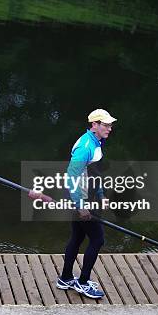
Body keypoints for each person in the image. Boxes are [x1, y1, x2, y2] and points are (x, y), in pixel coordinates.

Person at [56, 109, 116, 299]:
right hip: (80, 200)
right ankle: (82, 282)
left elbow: (93, 172)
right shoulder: (85, 147)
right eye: (106, 125)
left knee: (78, 237)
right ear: (94, 125)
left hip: (88, 197)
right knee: (98, 240)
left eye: (110, 125)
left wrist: (101, 195)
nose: (110, 128)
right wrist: (81, 206)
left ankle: (65, 278)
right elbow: (72, 177)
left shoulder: (97, 141)